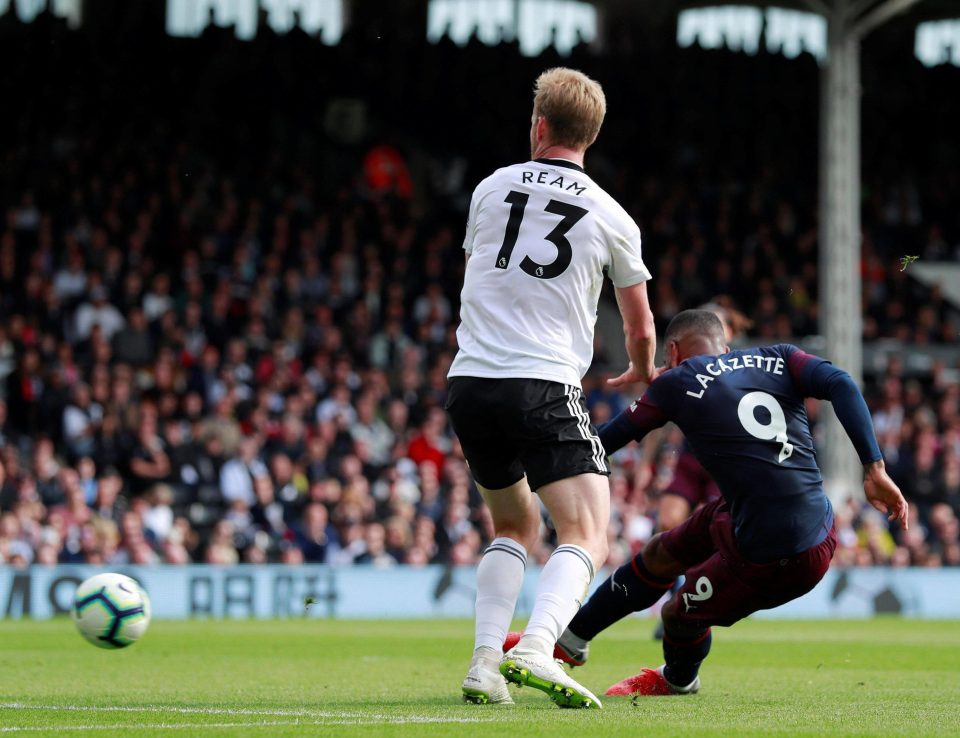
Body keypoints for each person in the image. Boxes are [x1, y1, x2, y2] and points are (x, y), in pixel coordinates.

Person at [541, 309, 908, 697]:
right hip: (804, 525)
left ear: (672, 351)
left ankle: (679, 680)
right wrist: (874, 467)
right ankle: (571, 640)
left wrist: (542, 461)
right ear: (725, 349)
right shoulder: (781, 356)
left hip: (776, 555)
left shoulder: (677, 381)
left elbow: (605, 442)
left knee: (677, 616)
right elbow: (842, 382)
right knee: (660, 553)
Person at [446, 67, 657, 709]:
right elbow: (639, 322)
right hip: (540, 382)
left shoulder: (490, 188)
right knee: (588, 531)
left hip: (470, 381)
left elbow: (481, 267)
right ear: (590, 135)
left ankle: (486, 662)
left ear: (538, 125)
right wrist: (642, 369)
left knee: (512, 523)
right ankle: (537, 648)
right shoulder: (613, 216)